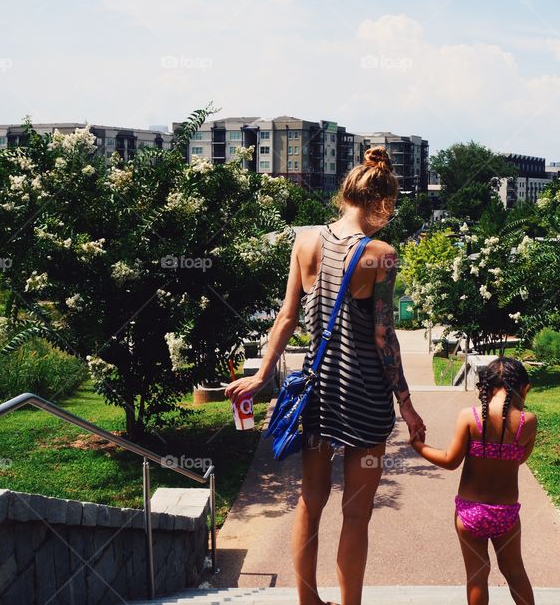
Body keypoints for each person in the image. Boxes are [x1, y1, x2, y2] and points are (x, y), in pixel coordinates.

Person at [226, 146, 426, 605]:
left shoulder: (305, 241)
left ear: (345, 194)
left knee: (309, 502)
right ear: (382, 203)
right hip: (366, 395)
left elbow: (286, 317)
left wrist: (260, 376)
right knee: (355, 514)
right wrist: (407, 405)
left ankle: (309, 601)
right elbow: (383, 337)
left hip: (319, 392)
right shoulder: (381, 254)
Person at [411, 357, 537, 605]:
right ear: (524, 387)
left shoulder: (470, 417)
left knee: (477, 575)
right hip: (506, 514)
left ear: (485, 387)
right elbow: (520, 459)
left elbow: (450, 460)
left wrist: (418, 445)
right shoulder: (528, 422)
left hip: (470, 512)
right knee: (515, 572)